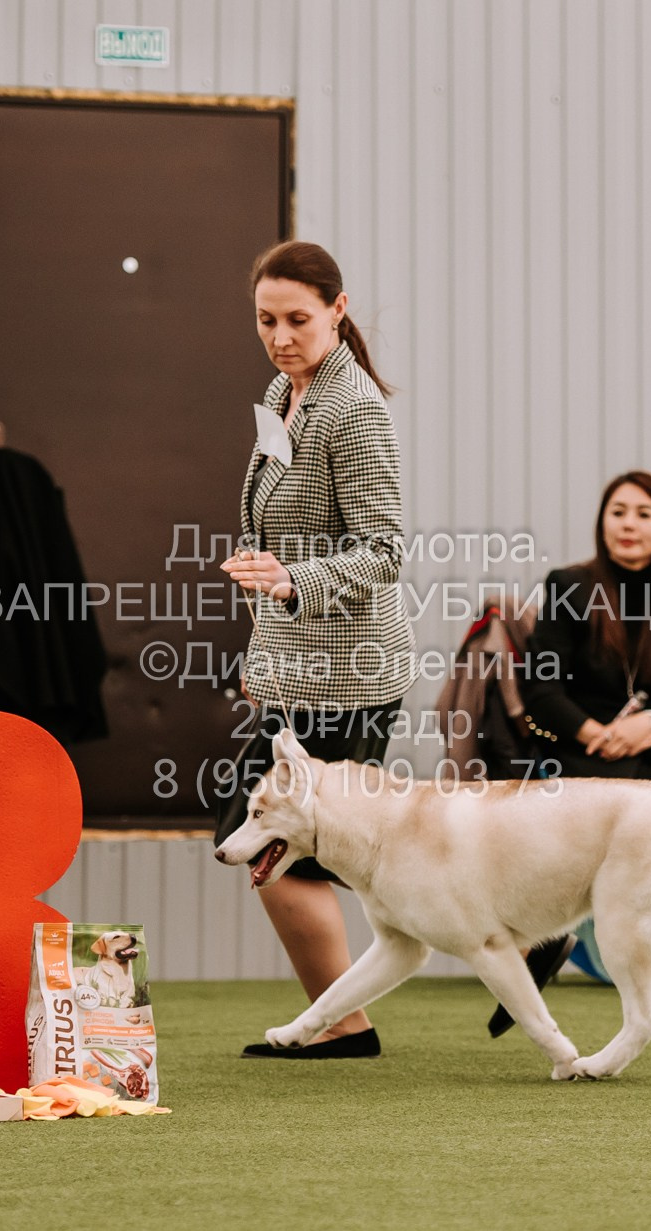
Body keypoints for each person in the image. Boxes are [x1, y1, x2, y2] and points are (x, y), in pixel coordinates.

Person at [215, 240, 418, 1059]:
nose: (280, 336)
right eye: (266, 320)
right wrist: (263, 650)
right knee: (285, 842)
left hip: (351, 673)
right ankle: (342, 1020)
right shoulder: (282, 390)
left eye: (298, 319)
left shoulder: (355, 408)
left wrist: (292, 580)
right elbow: (274, 528)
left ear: (338, 310)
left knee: (273, 840)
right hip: (297, 666)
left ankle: (344, 1025)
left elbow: (382, 551)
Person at [507, 471, 651, 1005]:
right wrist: (599, 733)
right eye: (618, 512)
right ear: (602, 522)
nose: (628, 525)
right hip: (575, 749)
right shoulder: (568, 585)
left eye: (642, 514)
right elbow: (539, 691)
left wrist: (649, 724)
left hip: (646, 755)